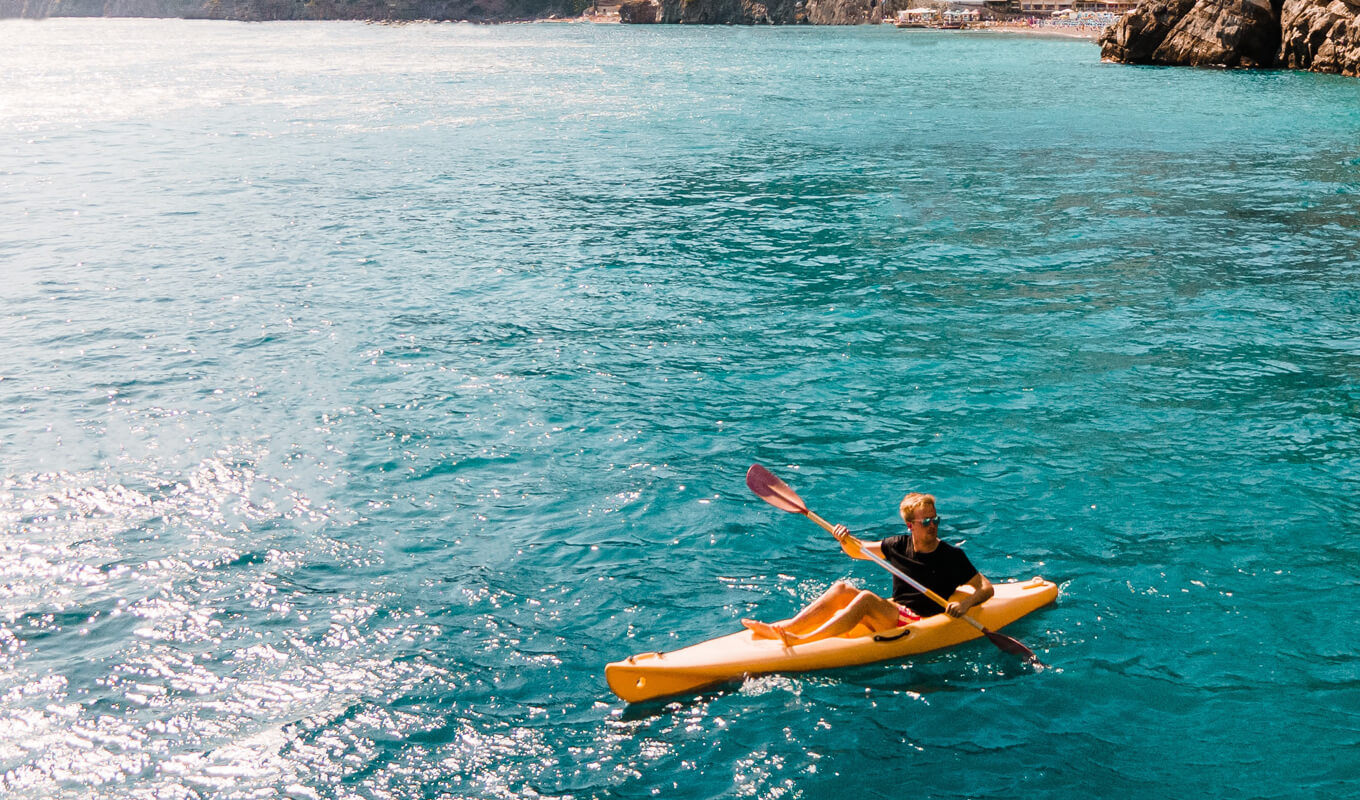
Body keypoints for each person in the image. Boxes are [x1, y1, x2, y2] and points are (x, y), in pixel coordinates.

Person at [742, 492, 994, 646]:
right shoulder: (897, 544)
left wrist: (965, 603)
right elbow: (858, 550)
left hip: (920, 620)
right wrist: (843, 539)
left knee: (864, 599)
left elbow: (986, 587)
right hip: (896, 610)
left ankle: (805, 641)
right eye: (926, 521)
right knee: (841, 589)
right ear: (910, 525)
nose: (933, 525)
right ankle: (787, 630)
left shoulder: (952, 556)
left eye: (935, 519)